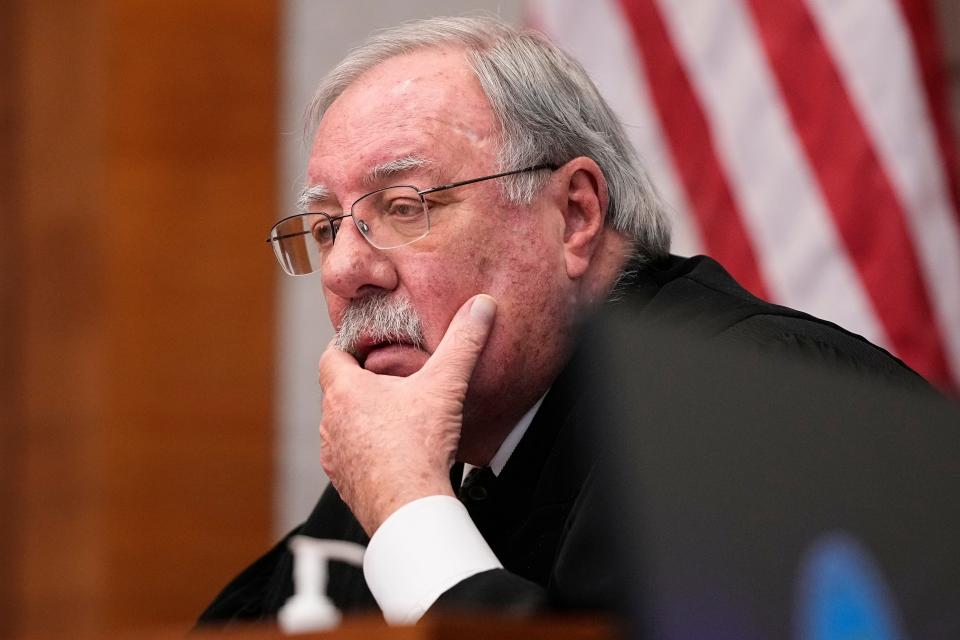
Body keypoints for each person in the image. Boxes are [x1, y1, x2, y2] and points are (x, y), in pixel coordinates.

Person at [198, 16, 926, 627]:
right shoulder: (435, 434)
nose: (343, 270)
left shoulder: (761, 406)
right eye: (326, 227)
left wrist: (410, 512)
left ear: (573, 214)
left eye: (404, 207)